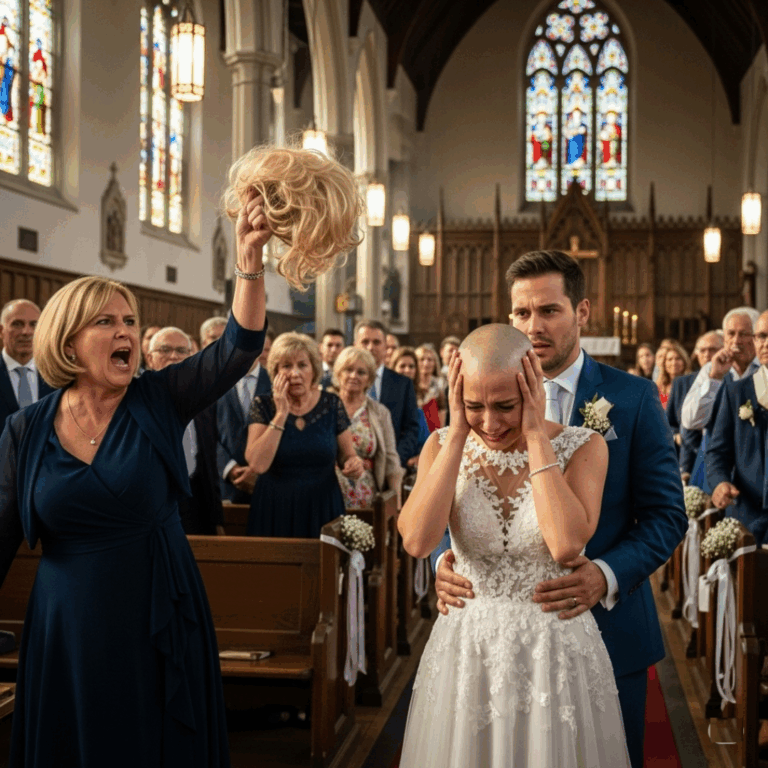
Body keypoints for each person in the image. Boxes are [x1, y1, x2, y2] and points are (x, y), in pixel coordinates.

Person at [0, 190, 268, 766]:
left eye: (130, 321)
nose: (125, 331)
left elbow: (237, 349)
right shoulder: (25, 429)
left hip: (155, 612)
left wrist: (249, 257)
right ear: (69, 340)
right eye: (107, 322)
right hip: (66, 625)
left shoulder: (160, 398)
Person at [431, 250, 686, 768]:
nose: (534, 325)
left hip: (606, 629)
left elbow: (666, 516)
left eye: (549, 310)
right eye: (522, 313)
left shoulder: (632, 398)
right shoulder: (482, 398)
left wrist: (606, 575)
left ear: (582, 312)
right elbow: (454, 485)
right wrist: (443, 557)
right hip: (492, 642)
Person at [398, 324, 629, 767]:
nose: (491, 422)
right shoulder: (443, 444)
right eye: (474, 406)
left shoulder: (584, 446)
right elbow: (417, 540)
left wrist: (538, 436)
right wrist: (457, 434)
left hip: (554, 651)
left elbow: (565, 545)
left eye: (506, 405)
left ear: (534, 388)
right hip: (468, 650)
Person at [244, 333, 364, 537]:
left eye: (302, 365)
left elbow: (348, 456)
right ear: (275, 371)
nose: (295, 373)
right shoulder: (263, 405)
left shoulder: (331, 404)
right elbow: (257, 464)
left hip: (323, 507)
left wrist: (354, 464)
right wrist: (281, 415)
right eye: (286, 366)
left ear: (314, 369)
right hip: (274, 509)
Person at [147, 326, 225, 535]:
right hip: (149, 509)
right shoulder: (134, 401)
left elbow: (209, 468)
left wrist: (216, 519)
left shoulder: (205, 403)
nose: (174, 356)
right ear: (149, 359)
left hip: (195, 507)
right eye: (164, 350)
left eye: (182, 351)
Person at [706, 309, 768, 545]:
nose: (765, 343)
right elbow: (717, 452)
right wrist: (720, 482)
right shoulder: (736, 392)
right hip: (747, 515)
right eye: (761, 336)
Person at [681, 307, 759, 493]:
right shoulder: (710, 369)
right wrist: (714, 378)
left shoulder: (763, 370)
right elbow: (691, 420)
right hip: (714, 465)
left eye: (744, 334)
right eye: (731, 334)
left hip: (756, 466)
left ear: (756, 337)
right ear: (724, 337)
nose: (736, 341)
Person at [332, 346, 404, 509]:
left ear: (370, 378)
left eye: (361, 372)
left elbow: (392, 460)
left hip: (365, 497)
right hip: (328, 492)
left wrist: (396, 504)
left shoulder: (380, 412)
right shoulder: (325, 405)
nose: (353, 376)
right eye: (348, 370)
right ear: (338, 373)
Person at [216, 330, 274, 504]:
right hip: (224, 486)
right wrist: (230, 468)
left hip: (267, 485)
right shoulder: (213, 381)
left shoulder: (276, 382)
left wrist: (258, 470)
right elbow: (204, 432)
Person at [354, 319, 421, 467]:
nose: (370, 347)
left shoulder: (403, 384)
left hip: (391, 466)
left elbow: (411, 429)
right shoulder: (341, 383)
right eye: (365, 342)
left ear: (386, 347)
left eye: (377, 342)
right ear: (355, 345)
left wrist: (393, 460)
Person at [666, 331, 723, 479]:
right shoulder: (681, 383)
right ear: (696, 354)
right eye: (702, 350)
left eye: (712, 350)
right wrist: (676, 435)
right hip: (687, 457)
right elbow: (669, 422)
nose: (706, 354)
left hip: (720, 458)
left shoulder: (731, 380)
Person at [0, 299, 55, 425]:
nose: (26, 332)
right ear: (1, 331)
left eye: (34, 325)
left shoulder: (56, 375)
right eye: (17, 324)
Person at [390, 346, 431, 466]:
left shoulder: (423, 394)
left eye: (411, 366)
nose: (407, 370)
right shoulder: (387, 397)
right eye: (402, 366)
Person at [415, 344, 447, 431]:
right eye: (421, 359)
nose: (426, 363)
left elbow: (442, 413)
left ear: (435, 363)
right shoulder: (411, 385)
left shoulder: (440, 385)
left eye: (430, 360)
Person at [655, 340, 691, 407]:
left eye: (678, 358)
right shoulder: (658, 387)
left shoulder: (692, 384)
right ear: (664, 364)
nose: (674, 363)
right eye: (670, 359)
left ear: (684, 361)